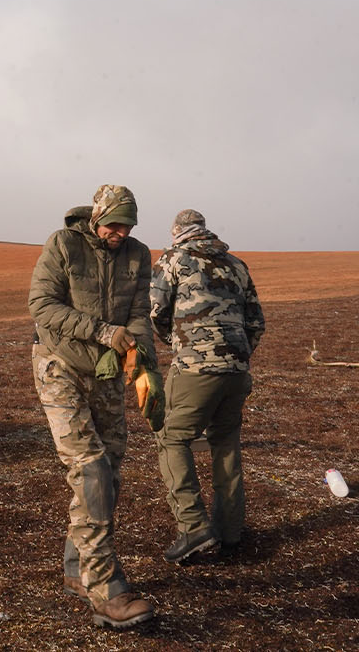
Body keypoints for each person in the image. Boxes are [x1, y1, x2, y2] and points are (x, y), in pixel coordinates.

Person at [28, 184, 158, 629]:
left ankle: (76, 570)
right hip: (60, 365)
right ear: (98, 216)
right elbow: (42, 305)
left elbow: (141, 313)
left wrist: (146, 369)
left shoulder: (139, 255)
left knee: (111, 468)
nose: (121, 232)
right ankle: (105, 588)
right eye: (115, 223)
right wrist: (105, 332)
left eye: (128, 224)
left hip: (105, 372)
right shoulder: (63, 245)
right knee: (90, 468)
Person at [149, 208, 265, 564]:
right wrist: (237, 354)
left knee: (171, 437)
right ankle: (230, 531)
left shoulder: (172, 259)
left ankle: (193, 524)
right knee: (225, 442)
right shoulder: (236, 264)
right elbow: (256, 322)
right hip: (237, 370)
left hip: (195, 369)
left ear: (177, 233)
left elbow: (156, 312)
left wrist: (182, 346)